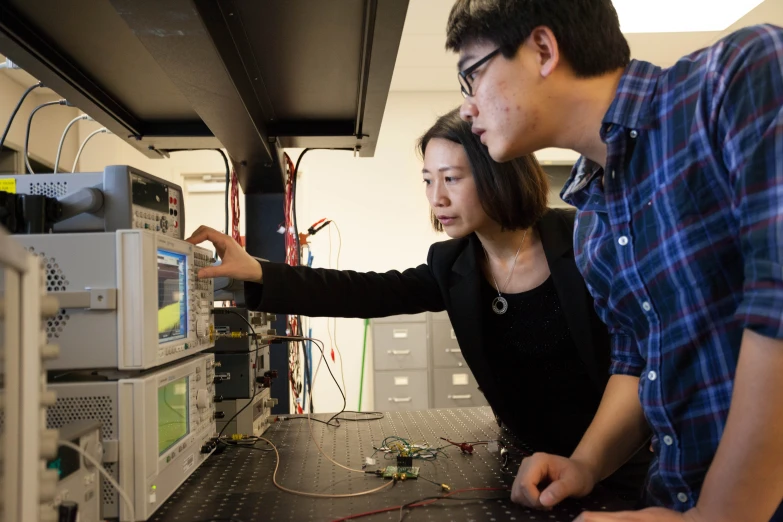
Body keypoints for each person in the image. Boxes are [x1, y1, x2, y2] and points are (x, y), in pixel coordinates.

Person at [187, 108, 649, 495]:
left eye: (451, 178)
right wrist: (260, 272)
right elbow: (363, 290)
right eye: (428, 180)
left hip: (622, 461)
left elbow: (639, 365)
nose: (437, 197)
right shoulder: (453, 265)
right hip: (528, 463)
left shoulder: (585, 238)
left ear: (497, 172)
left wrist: (593, 462)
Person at [445, 1, 783, 521]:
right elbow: (637, 359)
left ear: (542, 50)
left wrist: (720, 515)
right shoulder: (592, 221)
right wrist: (585, 464)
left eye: (472, 74)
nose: (467, 108)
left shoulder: (734, 79)